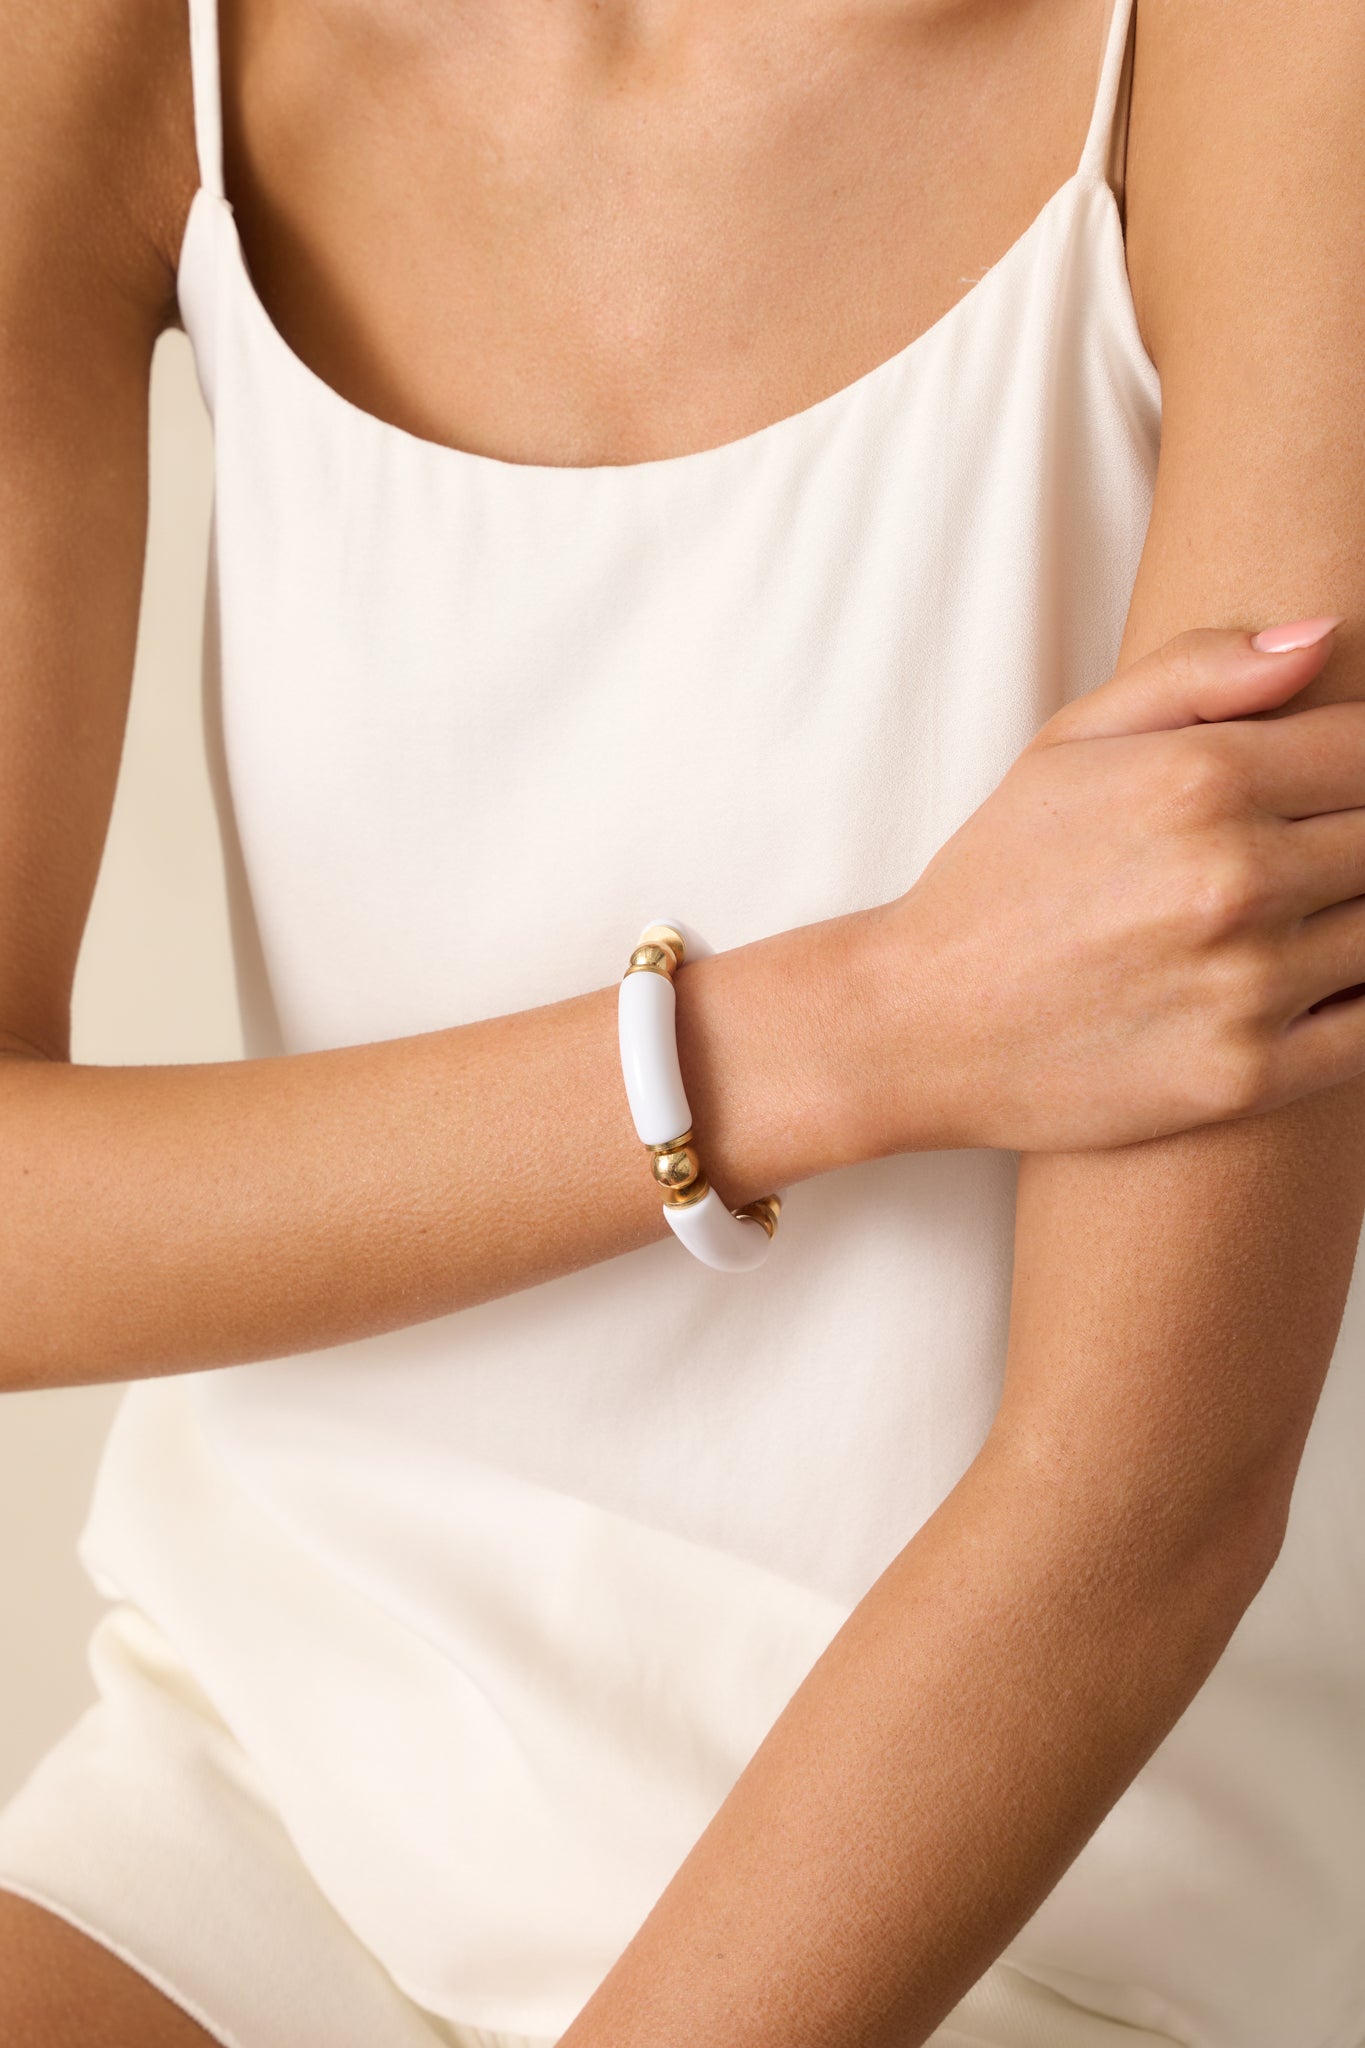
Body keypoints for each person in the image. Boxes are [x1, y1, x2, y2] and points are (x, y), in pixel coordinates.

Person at [1, 0, 1364, 2041]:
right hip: (272, 1765)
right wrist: (833, 1033)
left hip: (1028, 1893)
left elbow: (1141, 1496)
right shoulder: (112, 44)